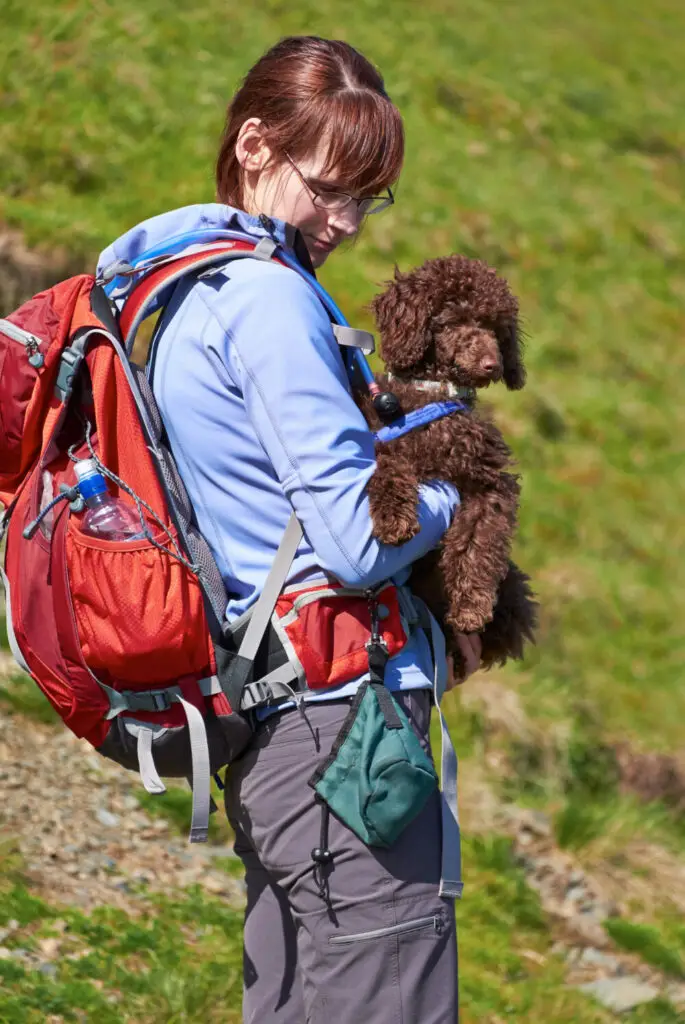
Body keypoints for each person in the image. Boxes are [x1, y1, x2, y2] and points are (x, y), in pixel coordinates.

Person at [98, 35, 481, 1023]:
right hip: (343, 721)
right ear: (256, 145)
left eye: (369, 197)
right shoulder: (270, 301)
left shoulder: (180, 289)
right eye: (329, 188)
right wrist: (450, 494)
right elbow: (356, 540)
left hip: (274, 726)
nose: (345, 222)